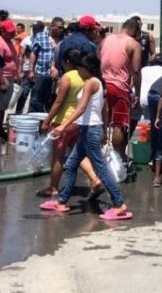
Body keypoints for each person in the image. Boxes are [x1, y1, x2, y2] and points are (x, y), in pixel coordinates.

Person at [44, 53, 131, 220]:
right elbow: (104, 110)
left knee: (101, 168)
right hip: (88, 129)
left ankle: (119, 204)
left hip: (90, 129)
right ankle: (61, 201)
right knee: (71, 164)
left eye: (80, 68)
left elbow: (82, 108)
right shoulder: (96, 83)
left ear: (88, 68)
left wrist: (63, 126)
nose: (78, 70)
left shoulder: (91, 83)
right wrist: (104, 130)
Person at [38, 48, 103, 199]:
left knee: (58, 157)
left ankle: (53, 188)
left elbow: (59, 101)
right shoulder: (87, 77)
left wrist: (47, 121)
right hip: (78, 122)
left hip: (63, 121)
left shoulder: (67, 77)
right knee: (77, 153)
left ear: (67, 62)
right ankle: (94, 179)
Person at [99, 18, 142, 164]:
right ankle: (117, 158)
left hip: (102, 85)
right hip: (119, 87)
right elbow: (136, 71)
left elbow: (98, 60)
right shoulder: (133, 44)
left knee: (102, 122)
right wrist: (138, 93)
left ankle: (99, 157)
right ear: (135, 30)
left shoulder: (106, 40)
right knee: (118, 124)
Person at [0, 19, 21, 132]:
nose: (13, 33)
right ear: (2, 31)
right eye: (10, 32)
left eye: (14, 31)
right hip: (2, 78)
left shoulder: (9, 41)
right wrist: (2, 81)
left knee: (3, 107)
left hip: (10, 77)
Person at [26, 21, 55, 113]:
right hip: (45, 73)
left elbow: (33, 54)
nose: (34, 30)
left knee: (42, 100)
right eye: (34, 28)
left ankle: (39, 120)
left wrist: (31, 70)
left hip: (47, 74)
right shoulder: (42, 37)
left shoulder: (40, 36)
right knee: (40, 100)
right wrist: (31, 70)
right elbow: (34, 53)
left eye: (36, 28)